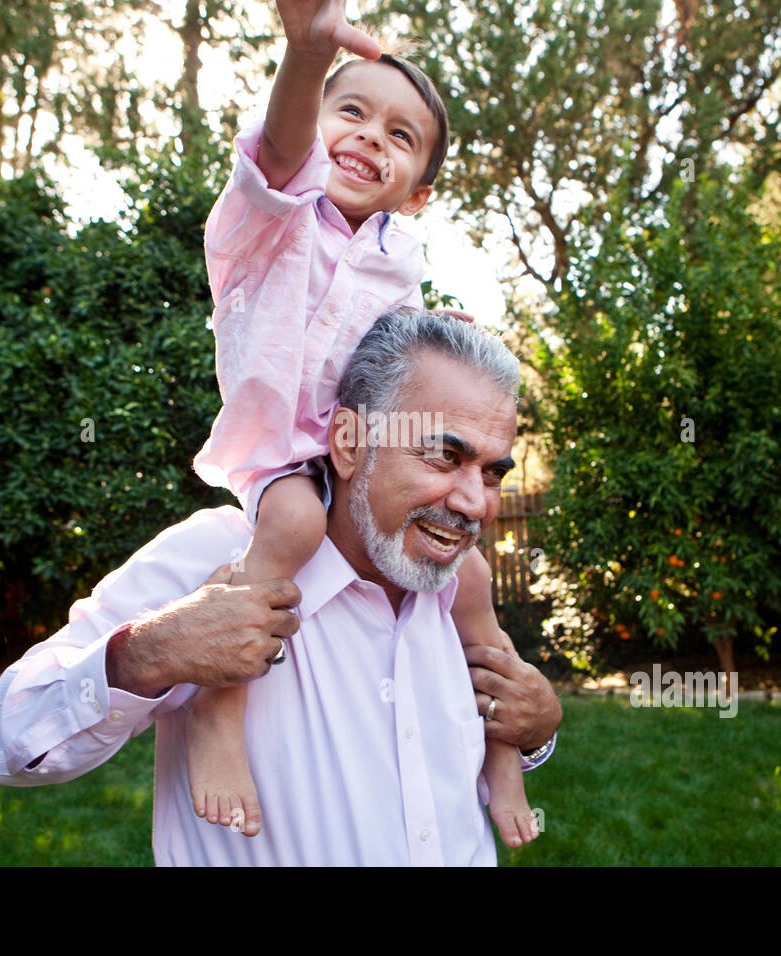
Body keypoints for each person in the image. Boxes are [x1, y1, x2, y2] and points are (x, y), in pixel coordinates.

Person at [0, 309, 562, 865]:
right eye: (443, 454)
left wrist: (534, 734)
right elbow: (13, 742)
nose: (474, 502)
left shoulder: (461, 594)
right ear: (350, 443)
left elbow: (457, 772)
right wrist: (149, 652)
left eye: (491, 472)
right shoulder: (221, 558)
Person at [187, 0, 539, 848]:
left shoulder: (399, 265)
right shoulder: (268, 222)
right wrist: (305, 60)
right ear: (315, 126)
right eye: (353, 112)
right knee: (294, 522)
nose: (370, 137)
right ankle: (217, 718)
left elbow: (415, 365)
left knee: (478, 585)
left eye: (400, 134)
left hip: (362, 455)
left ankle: (505, 753)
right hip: (284, 457)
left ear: (418, 193)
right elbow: (275, 154)